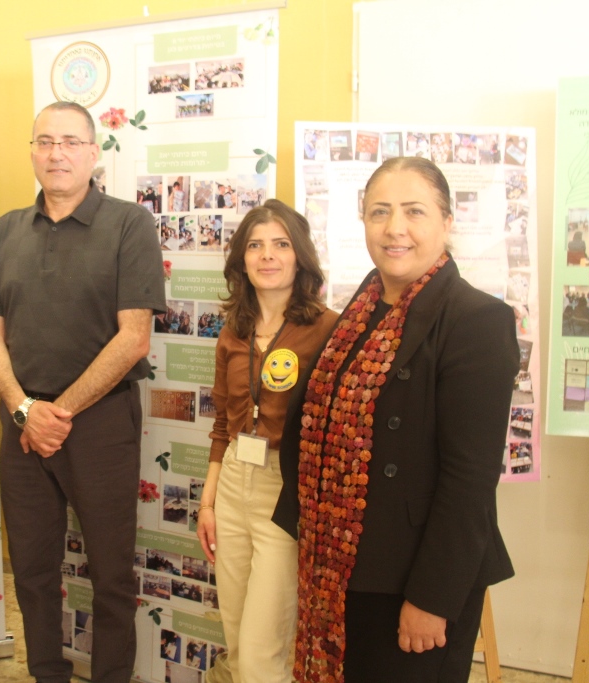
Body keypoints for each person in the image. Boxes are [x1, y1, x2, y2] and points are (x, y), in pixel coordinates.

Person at [273, 157, 518, 682]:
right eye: (380, 212)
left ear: (447, 221)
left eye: (414, 211)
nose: (394, 228)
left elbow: (470, 479)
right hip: (340, 565)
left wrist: (432, 598)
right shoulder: (357, 315)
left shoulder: (476, 319)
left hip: (413, 578)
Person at [0, 101, 165, 683]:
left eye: (70, 142)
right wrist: (24, 409)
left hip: (99, 423)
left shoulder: (130, 224)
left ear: (93, 152)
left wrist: (56, 412)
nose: (56, 153)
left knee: (111, 574)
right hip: (23, 423)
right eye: (45, 141)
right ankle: (46, 674)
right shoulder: (7, 229)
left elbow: (134, 338)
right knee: (32, 571)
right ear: (32, 151)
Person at [195, 201, 338, 683]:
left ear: (300, 257)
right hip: (234, 480)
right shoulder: (232, 331)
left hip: (286, 489)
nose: (267, 255)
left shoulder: (327, 328)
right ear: (242, 260)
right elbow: (222, 425)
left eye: (281, 244)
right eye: (255, 245)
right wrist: (208, 502)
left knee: (263, 651)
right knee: (237, 642)